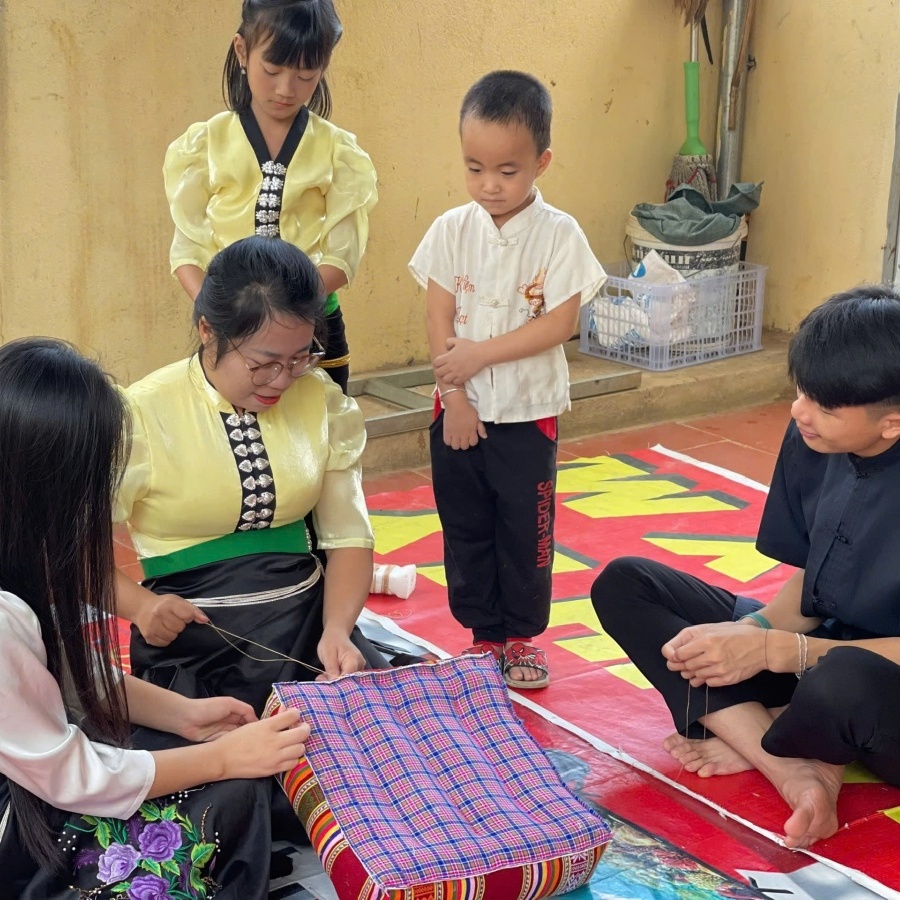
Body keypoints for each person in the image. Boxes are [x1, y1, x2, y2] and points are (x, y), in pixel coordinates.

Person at [591, 286, 900, 850]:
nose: (799, 411)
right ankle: (788, 761)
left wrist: (778, 653)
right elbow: (821, 570)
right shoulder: (816, 436)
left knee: (843, 677)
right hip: (815, 648)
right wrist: (753, 631)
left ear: (892, 424)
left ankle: (766, 730)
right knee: (627, 583)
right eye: (801, 391)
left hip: (877, 690)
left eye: (824, 406)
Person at [0, 337, 309, 898]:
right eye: (93, 484)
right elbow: (69, 773)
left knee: (227, 781)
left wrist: (185, 716)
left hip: (40, 761)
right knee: (221, 799)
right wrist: (217, 758)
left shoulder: (27, 561)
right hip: (21, 805)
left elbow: (68, 676)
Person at [116, 236, 384, 718]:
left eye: (300, 358)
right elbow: (69, 553)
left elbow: (348, 536)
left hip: (309, 625)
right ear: (206, 329)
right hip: (193, 644)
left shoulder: (320, 400)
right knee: (231, 779)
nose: (283, 380)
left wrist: (338, 631)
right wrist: (139, 607)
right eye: (262, 364)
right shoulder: (139, 412)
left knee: (380, 750)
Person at [409, 71, 606, 690]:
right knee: (465, 523)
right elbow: (439, 316)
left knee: (526, 529)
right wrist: (457, 397)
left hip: (527, 413)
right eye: (474, 168)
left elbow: (561, 323)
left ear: (541, 161)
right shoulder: (450, 230)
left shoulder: (559, 234)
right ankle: (481, 636)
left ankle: (519, 635)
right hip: (459, 412)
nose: (489, 185)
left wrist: (480, 357)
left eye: (507, 170)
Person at [164, 0, 377, 394]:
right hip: (232, 329)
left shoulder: (340, 153)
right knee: (238, 440)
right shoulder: (204, 145)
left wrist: (285, 313)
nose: (285, 89)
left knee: (319, 436)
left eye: (305, 75)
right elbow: (187, 251)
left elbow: (342, 258)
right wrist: (223, 313)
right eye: (273, 70)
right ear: (242, 51)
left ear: (324, 66)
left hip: (315, 328)